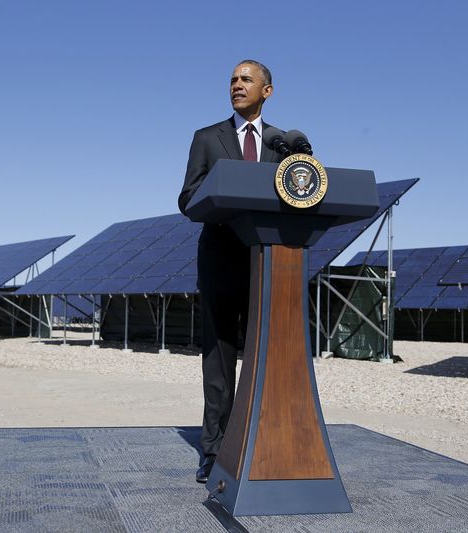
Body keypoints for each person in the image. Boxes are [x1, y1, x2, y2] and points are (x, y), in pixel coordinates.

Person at [178, 60, 285, 483]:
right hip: (221, 258)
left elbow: (299, 190)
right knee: (220, 361)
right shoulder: (207, 138)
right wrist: (221, 195)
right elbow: (187, 197)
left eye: (246, 80)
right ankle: (215, 449)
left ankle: (265, 441)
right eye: (233, 81)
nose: (238, 86)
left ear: (267, 90)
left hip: (270, 261)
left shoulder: (284, 142)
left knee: (267, 357)